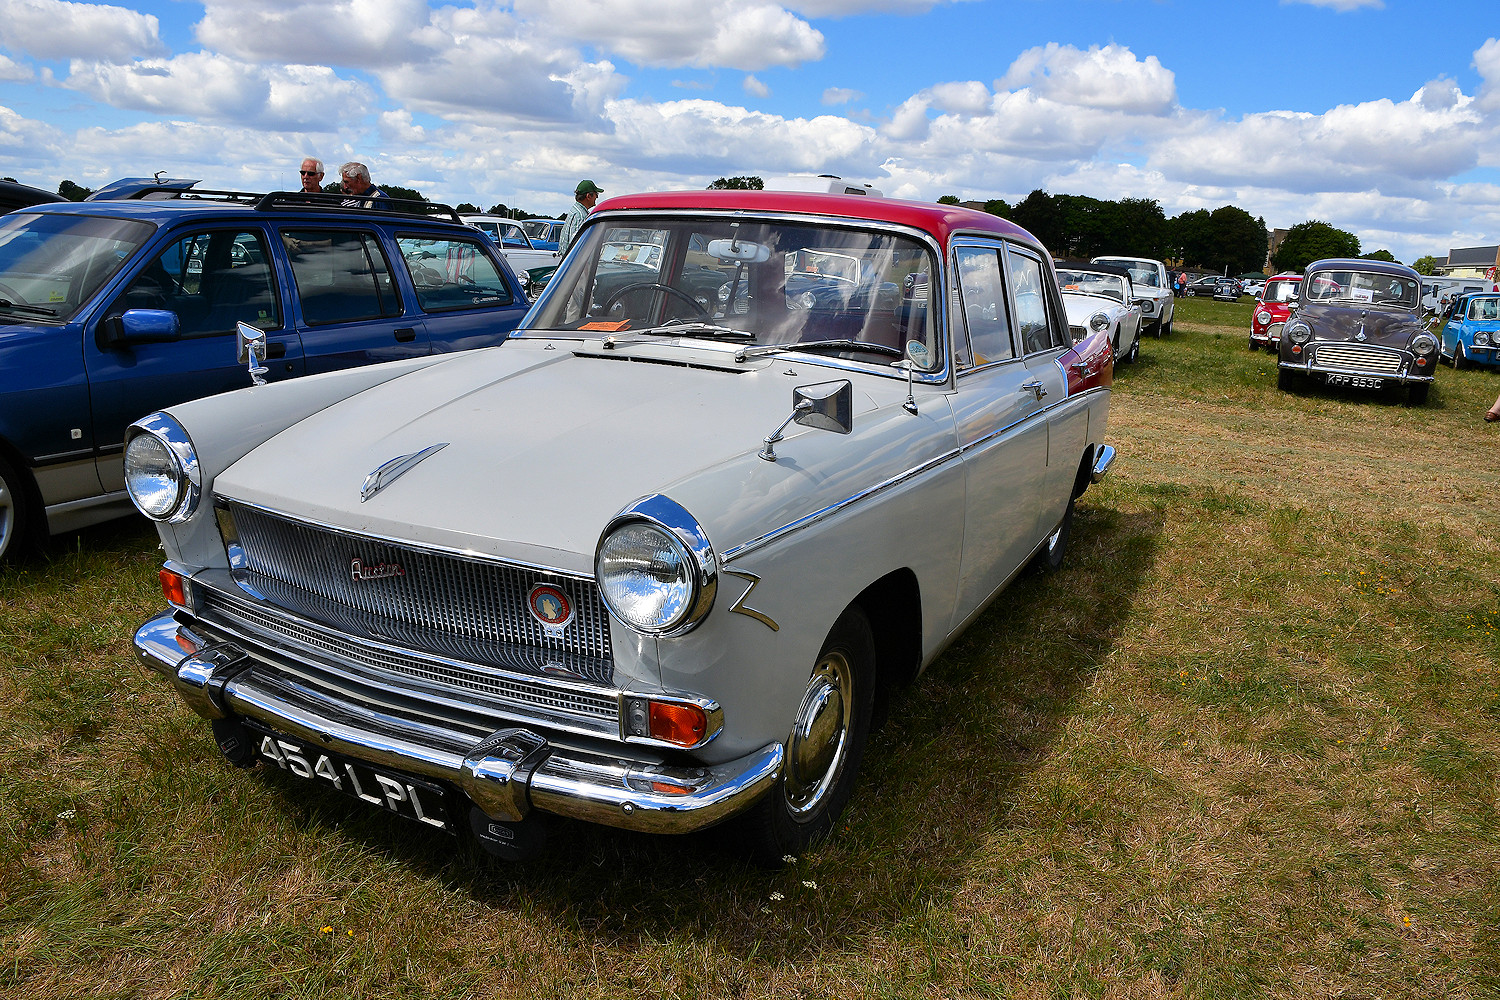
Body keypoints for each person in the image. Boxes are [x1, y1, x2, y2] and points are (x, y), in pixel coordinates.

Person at [558, 179, 602, 255]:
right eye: (596, 194)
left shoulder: (574, 210)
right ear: (588, 196)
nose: (597, 197)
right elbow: (576, 245)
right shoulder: (581, 216)